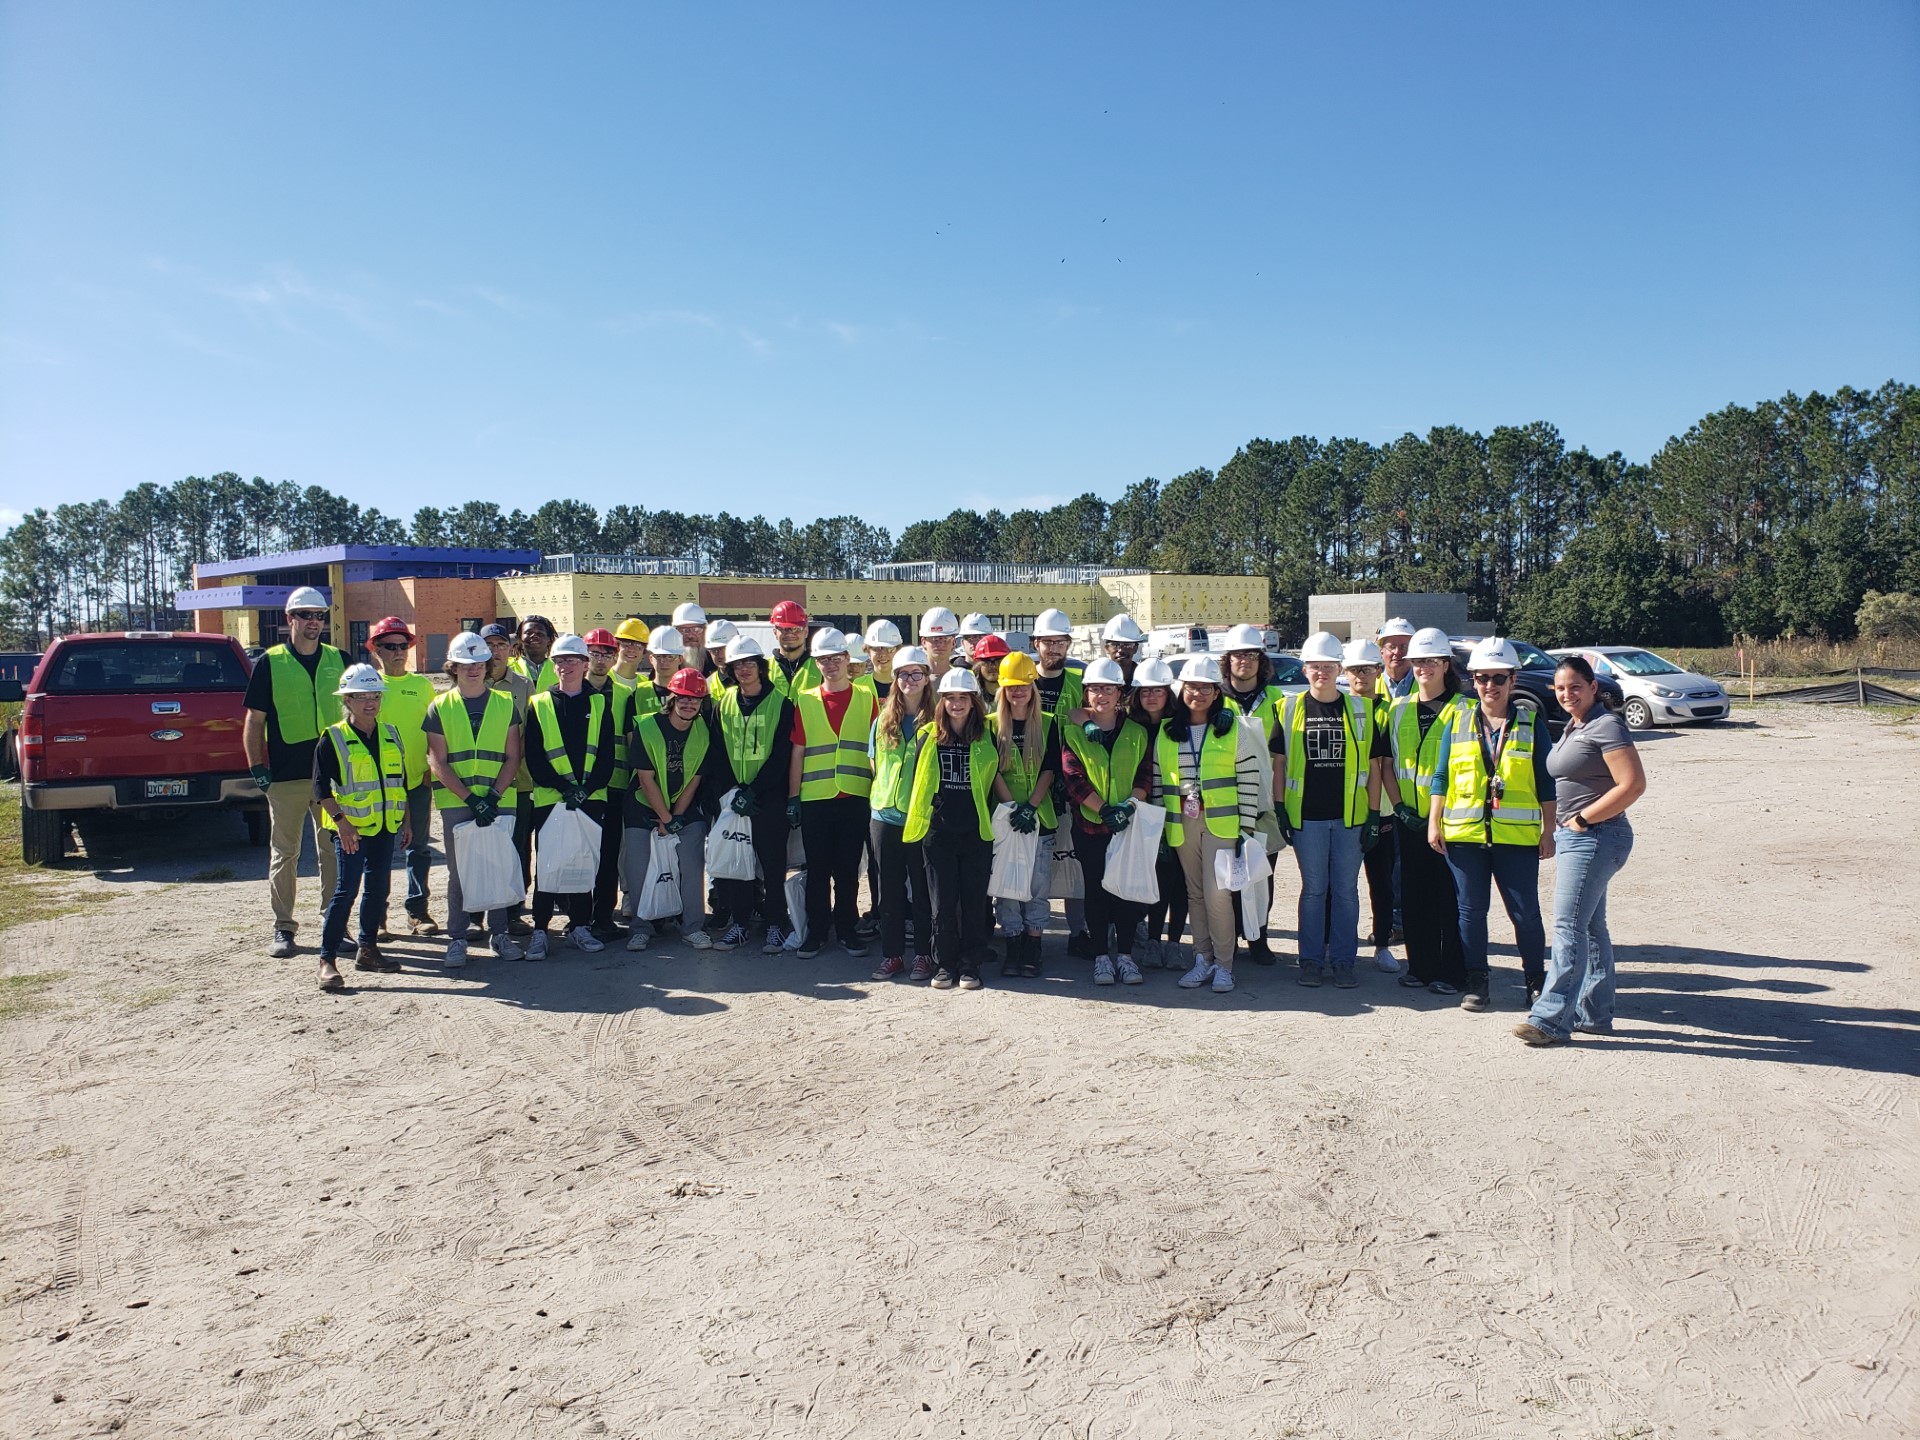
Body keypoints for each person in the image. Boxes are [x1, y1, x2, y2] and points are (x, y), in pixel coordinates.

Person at [1516, 657, 1646, 1046]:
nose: (1566, 694)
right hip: (1584, 837)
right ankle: (1594, 1013)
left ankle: (1551, 1020)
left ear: (1593, 687)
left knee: (1569, 927)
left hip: (1597, 836)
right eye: (1560, 688)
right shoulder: (1577, 726)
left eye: (1575, 686)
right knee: (1589, 927)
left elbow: (1633, 784)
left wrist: (1584, 820)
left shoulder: (1606, 725)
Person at [1428, 637, 1556, 1013]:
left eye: (1499, 678)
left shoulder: (1532, 723)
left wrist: (1548, 830)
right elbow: (1440, 777)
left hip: (1515, 837)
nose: (1490, 686)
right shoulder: (1457, 719)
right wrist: (1434, 823)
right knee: (1470, 912)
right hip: (1465, 835)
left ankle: (1535, 981)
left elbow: (1546, 782)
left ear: (1513, 680)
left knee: (1525, 914)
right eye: (1482, 677)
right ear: (1472, 679)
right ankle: (1477, 983)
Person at [1280, 632, 1389, 989]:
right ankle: (1310, 960)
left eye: (1328, 666)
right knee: (1313, 889)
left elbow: (1374, 767)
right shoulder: (1290, 707)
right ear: (1306, 669)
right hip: (1307, 817)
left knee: (1345, 890)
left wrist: (1373, 815)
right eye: (1315, 666)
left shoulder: (1360, 709)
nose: (1321, 672)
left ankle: (1343, 961)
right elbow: (1280, 763)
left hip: (1350, 818)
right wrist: (1280, 807)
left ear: (1338, 668)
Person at [243, 586, 345, 959]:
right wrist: (258, 769)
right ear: (290, 620)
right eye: (305, 616)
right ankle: (283, 927)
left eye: (318, 616)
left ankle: (334, 922)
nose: (313, 622)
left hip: (332, 778)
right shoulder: (270, 663)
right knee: (285, 853)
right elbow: (254, 721)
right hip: (285, 776)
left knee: (333, 851)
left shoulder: (340, 659)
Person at [1156, 654, 1261, 995]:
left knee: (1218, 896)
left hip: (1223, 824)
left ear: (1217, 692)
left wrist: (1245, 828)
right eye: (1191, 687)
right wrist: (1159, 825)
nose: (1197, 693)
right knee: (1195, 894)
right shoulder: (1167, 730)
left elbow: (1248, 777)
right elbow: (1160, 780)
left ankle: (1225, 965)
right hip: (1182, 824)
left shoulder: (1234, 728)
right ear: (1181, 690)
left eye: (1205, 687)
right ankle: (1202, 959)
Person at [424, 631, 524, 966]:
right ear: (453, 666)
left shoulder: (505, 704)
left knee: (496, 867)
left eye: (479, 662)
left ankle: (499, 934)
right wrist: (471, 799)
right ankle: (457, 937)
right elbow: (437, 761)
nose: (473, 669)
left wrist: (493, 796)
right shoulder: (440, 706)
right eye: (465, 663)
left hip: (498, 799)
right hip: (458, 802)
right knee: (459, 872)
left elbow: (513, 756)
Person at [904, 669, 1007, 990]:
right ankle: (945, 964)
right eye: (950, 697)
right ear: (942, 701)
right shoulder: (928, 735)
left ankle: (970, 965)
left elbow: (996, 777)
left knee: (975, 902)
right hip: (938, 833)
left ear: (974, 701)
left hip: (976, 832)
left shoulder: (987, 734)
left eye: (963, 697)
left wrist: (1016, 807)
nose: (957, 704)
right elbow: (917, 783)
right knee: (942, 903)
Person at [310, 664, 410, 990]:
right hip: (350, 830)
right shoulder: (333, 737)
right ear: (348, 700)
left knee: (378, 889)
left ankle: (368, 949)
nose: (370, 702)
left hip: (384, 827)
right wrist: (342, 824)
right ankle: (326, 960)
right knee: (346, 891)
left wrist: (406, 820)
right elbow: (320, 789)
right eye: (361, 696)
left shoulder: (391, 734)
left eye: (374, 696)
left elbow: (400, 783)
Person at [1385, 627, 1470, 996]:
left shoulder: (1465, 709)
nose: (1423, 668)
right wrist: (1400, 807)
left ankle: (1452, 972)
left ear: (1446, 664)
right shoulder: (1398, 708)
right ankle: (1420, 967)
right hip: (1409, 819)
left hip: (1450, 821)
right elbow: (1387, 763)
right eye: (1417, 661)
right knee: (1415, 896)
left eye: (1431, 661)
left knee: (1449, 898)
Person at [520, 634, 615, 958]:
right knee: (548, 865)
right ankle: (540, 930)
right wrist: (564, 789)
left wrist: (585, 790)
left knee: (583, 864)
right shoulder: (540, 704)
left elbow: (606, 755)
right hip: (551, 799)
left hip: (590, 798)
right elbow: (533, 756)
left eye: (572, 660)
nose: (565, 666)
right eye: (560, 660)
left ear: (585, 664)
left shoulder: (601, 703)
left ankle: (579, 927)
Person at [1059, 657, 1152, 985]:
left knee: (1125, 891)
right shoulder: (1074, 732)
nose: (1102, 694)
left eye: (1108, 688)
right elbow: (1073, 778)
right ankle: (1101, 956)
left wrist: (1128, 805)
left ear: (1119, 692)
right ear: (1087, 693)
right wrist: (1103, 810)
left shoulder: (1137, 732)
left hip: (1127, 824)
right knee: (1096, 891)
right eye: (1095, 688)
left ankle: (1125, 957)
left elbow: (1145, 774)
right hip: (1090, 827)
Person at [787, 627, 873, 957]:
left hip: (854, 796)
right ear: (816, 663)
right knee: (819, 870)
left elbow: (875, 750)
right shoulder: (806, 700)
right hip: (815, 799)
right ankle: (818, 931)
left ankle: (847, 929)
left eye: (836, 658)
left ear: (847, 659)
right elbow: (798, 751)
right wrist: (794, 797)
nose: (831, 664)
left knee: (848, 871)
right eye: (824, 660)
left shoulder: (866, 698)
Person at [711, 635, 798, 954]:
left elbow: (782, 754)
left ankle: (776, 923)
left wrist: (754, 791)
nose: (744, 669)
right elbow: (717, 751)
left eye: (749, 663)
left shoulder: (781, 704)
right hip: (734, 800)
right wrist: (733, 792)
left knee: (773, 864)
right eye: (737, 665)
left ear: (761, 667)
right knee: (738, 864)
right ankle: (740, 923)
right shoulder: (724, 704)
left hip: (769, 799)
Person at [631, 668, 722, 947]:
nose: (688, 704)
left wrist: (676, 818)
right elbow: (646, 780)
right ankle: (641, 927)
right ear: (671, 698)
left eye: (695, 699)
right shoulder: (646, 726)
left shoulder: (704, 733)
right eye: (682, 697)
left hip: (684, 805)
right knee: (638, 864)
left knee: (692, 861)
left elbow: (695, 780)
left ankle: (692, 925)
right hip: (643, 805)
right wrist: (665, 817)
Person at [1218, 623, 1288, 965]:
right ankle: (1228, 940)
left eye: (1250, 654)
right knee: (1228, 876)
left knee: (1262, 873)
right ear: (1227, 660)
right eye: (1237, 655)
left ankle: (1258, 937)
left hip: (1264, 802)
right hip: (1225, 800)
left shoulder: (1278, 700)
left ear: (1261, 660)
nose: (1243, 661)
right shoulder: (1213, 697)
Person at [989, 650, 1059, 978]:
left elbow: (1050, 768)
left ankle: (1033, 947)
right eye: (1012, 686)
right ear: (1002, 689)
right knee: (1006, 887)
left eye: (1024, 685)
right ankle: (1013, 945)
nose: (1018, 692)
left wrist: (1031, 806)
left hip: (1039, 819)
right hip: (1006, 820)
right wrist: (1012, 808)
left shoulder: (1047, 723)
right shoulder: (990, 725)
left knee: (1036, 886)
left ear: (1033, 687)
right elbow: (992, 771)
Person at [866, 647, 934, 980]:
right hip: (884, 817)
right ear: (894, 678)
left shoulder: (936, 720)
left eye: (916, 673)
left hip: (919, 818)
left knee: (921, 892)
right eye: (903, 674)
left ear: (926, 677)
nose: (909, 680)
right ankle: (892, 955)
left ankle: (924, 954)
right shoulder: (882, 720)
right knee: (888, 892)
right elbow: (874, 762)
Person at [1342, 637, 1399, 969]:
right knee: (1340, 884)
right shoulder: (1340, 708)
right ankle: (1338, 942)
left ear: (1379, 671)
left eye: (1365, 669)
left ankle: (1382, 944)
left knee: (1382, 882)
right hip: (1346, 808)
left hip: (1383, 812)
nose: (1359, 676)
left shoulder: (1391, 710)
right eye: (1353, 670)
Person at [1127, 657, 1185, 969]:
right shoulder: (1129, 725)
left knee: (1179, 881)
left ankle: (1174, 943)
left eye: (1158, 691)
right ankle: (1150, 940)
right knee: (1151, 880)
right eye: (1145, 691)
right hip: (1141, 812)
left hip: (1176, 811)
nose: (1151, 696)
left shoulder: (1181, 724)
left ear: (1168, 693)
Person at [582, 628, 636, 939]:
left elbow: (629, 741)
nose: (600, 659)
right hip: (581, 788)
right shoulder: (572, 690)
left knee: (608, 855)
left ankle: (603, 917)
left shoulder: (625, 695)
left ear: (614, 657)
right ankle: (579, 915)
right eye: (594, 652)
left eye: (606, 653)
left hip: (614, 787)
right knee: (581, 854)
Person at [482, 621, 536, 928]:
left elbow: (529, 730)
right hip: (480, 779)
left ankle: (514, 910)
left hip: (520, 780)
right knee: (480, 847)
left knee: (518, 847)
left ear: (510, 648)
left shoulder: (523, 684)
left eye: (501, 645)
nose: (495, 651)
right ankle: (476, 914)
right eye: (489, 646)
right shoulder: (471, 680)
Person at [767, 600, 823, 696]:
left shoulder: (821, 667)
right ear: (775, 632)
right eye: (784, 629)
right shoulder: (763, 668)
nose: (790, 633)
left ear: (806, 631)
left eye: (796, 629)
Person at [511, 615, 558, 692]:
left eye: (540, 634)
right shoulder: (507, 667)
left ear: (548, 639)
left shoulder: (559, 667)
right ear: (519, 638)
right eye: (528, 633)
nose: (534, 636)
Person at [1376, 618, 1416, 701]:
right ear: (1381, 652)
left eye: (1403, 647)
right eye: (1392, 647)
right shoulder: (1371, 684)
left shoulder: (1425, 684)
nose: (1397, 652)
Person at [863, 619, 902, 700]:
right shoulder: (858, 685)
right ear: (868, 651)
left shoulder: (907, 686)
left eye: (889, 649)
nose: (883, 654)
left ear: (897, 651)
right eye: (876, 648)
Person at [1101, 614, 1146, 684]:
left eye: (1127, 645)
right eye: (1115, 644)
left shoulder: (1144, 676)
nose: (1121, 650)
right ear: (1107, 648)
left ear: (1135, 648)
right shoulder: (1100, 676)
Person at [919, 606, 961, 679]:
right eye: (935, 638)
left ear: (954, 642)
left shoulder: (962, 678)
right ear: (923, 642)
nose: (940, 644)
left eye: (946, 638)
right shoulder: (914, 681)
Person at [702, 620, 738, 698]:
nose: (720, 655)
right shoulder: (706, 685)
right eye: (714, 650)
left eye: (724, 649)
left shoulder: (754, 679)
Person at [671, 602, 710, 670]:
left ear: (705, 631)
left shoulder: (715, 664)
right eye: (684, 630)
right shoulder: (666, 666)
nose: (690, 636)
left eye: (696, 629)